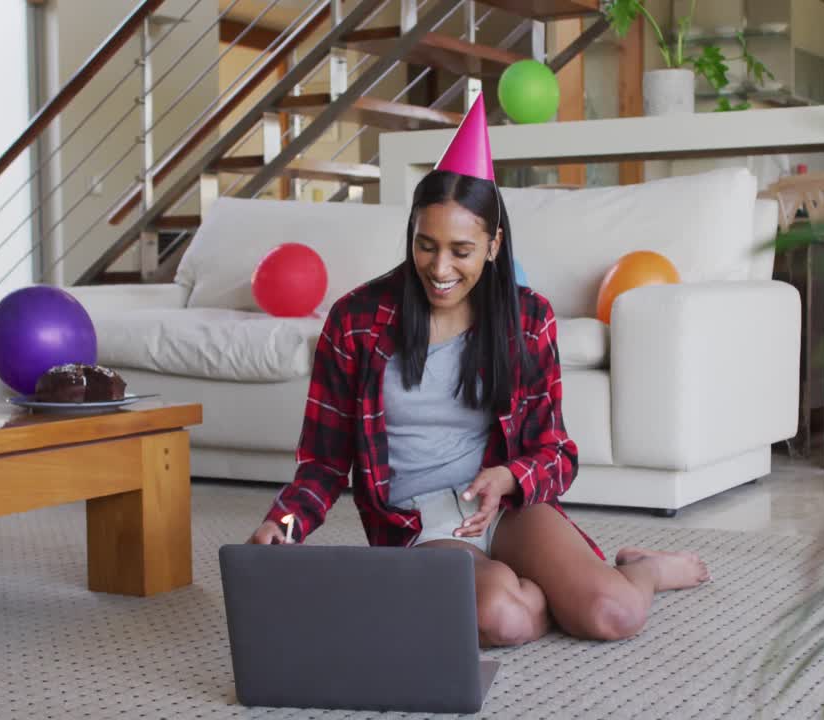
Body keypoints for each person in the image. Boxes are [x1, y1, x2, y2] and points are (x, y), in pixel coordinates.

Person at [247, 93, 708, 647]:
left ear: (494, 245)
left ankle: (643, 568)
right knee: (500, 619)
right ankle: (529, 587)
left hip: (507, 505)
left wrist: (510, 477)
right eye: (426, 245)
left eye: (461, 251)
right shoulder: (356, 322)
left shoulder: (528, 318)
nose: (439, 269)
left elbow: (557, 453)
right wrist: (286, 526)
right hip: (418, 526)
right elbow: (321, 463)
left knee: (612, 615)